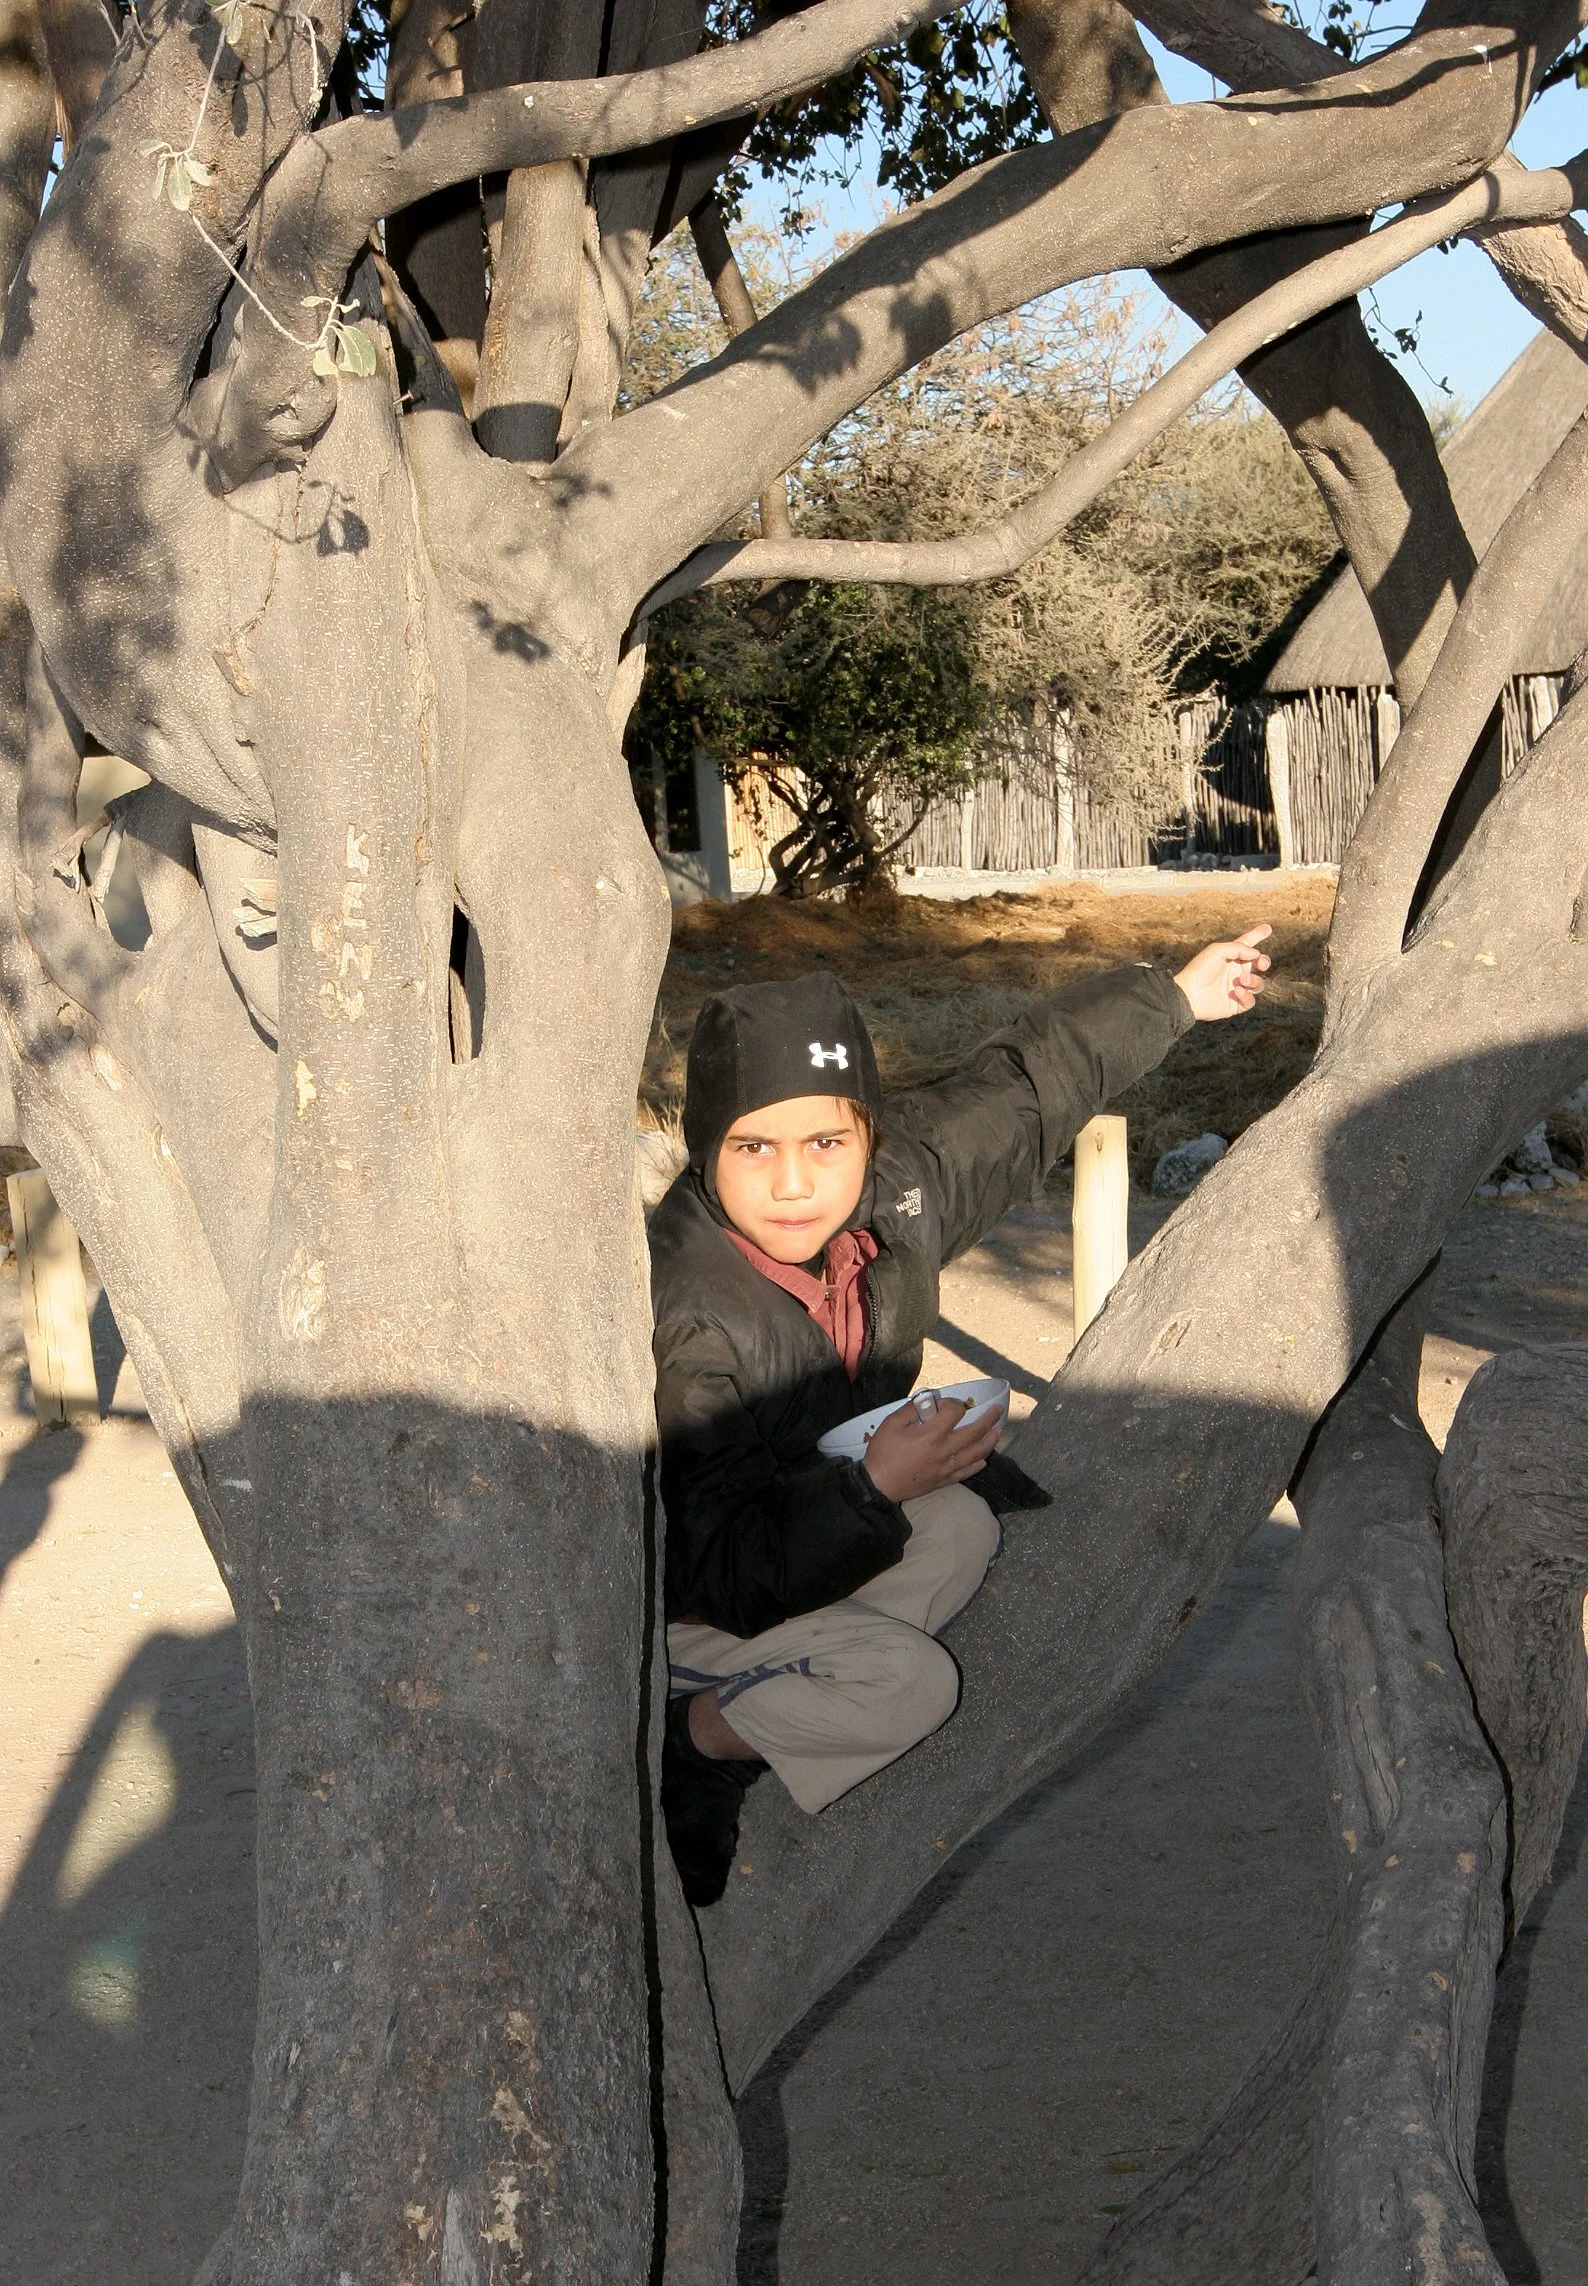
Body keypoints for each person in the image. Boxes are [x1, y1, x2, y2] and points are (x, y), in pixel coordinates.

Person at [649, 926, 1271, 1905]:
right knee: (914, 1683)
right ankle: (698, 1739)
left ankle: (802, 1675)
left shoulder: (895, 1193)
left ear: (866, 1135)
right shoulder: (685, 1311)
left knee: (959, 1524)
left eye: (824, 1142)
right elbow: (713, 1558)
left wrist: (1178, 997)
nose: (793, 1182)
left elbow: (1025, 1089)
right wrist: (871, 1488)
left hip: (797, 1521)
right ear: (705, 1149)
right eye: (751, 1147)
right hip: (686, 1610)